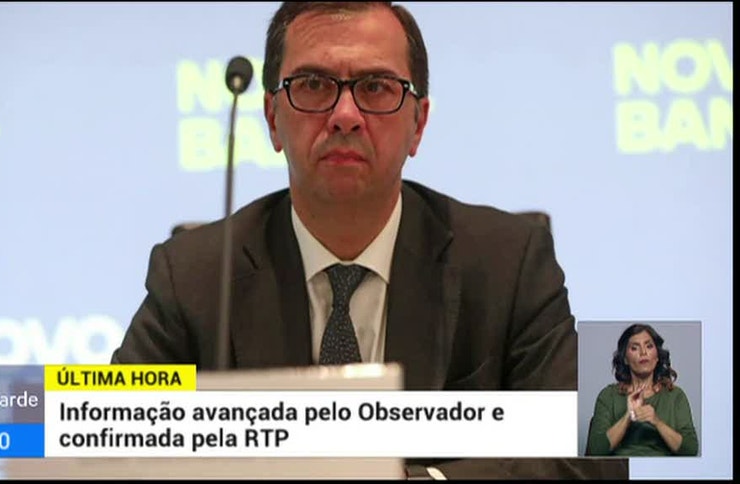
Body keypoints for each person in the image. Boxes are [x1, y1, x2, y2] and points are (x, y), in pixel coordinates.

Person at [113, 2, 627, 479]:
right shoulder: (195, 275)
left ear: (418, 123)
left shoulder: (510, 261)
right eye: (313, 84)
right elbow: (107, 440)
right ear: (272, 119)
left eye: (376, 87)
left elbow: (603, 452)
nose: (344, 114)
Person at [586, 324, 699, 456]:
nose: (643, 352)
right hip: (621, 467)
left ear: (657, 356)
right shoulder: (608, 396)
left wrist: (656, 421)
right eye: (634, 348)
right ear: (625, 359)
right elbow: (596, 451)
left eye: (649, 346)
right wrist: (628, 416)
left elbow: (690, 450)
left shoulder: (675, 396)